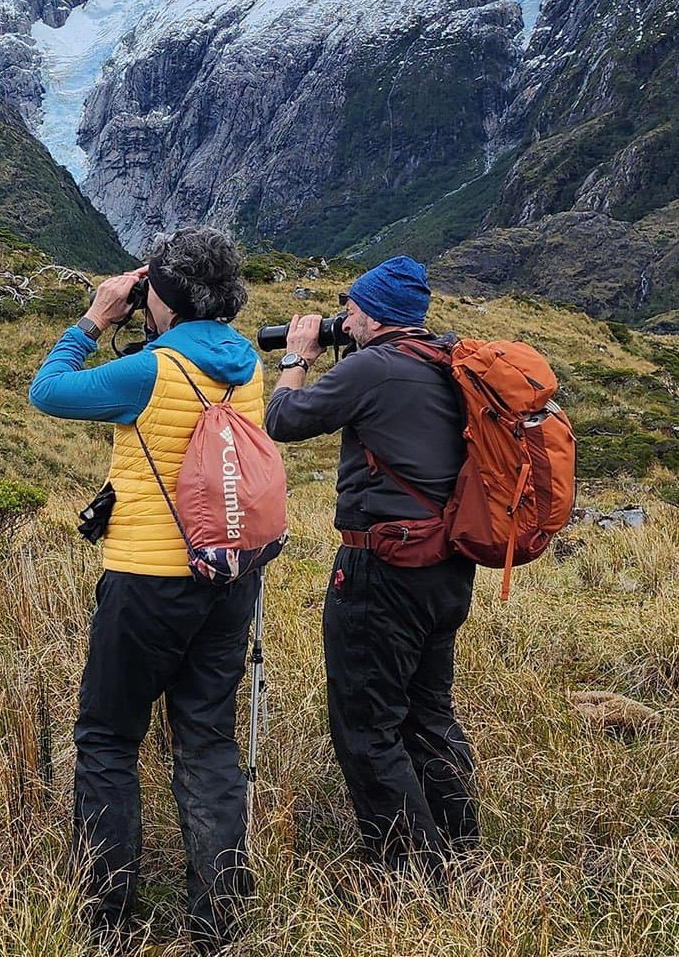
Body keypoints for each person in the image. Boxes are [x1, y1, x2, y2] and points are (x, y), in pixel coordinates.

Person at [27, 226, 263, 951]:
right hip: (230, 580)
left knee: (107, 740)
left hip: (148, 581)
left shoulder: (149, 372)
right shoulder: (249, 363)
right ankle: (219, 922)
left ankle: (107, 921)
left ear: (160, 295)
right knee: (207, 742)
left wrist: (97, 317)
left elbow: (48, 391)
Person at [260, 255, 477, 887]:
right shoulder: (443, 363)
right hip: (446, 567)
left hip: (381, 568)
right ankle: (459, 844)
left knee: (367, 723)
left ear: (375, 313)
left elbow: (285, 421)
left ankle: (413, 873)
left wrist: (297, 356)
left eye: (351, 307)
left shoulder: (374, 367)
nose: (341, 318)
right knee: (428, 713)